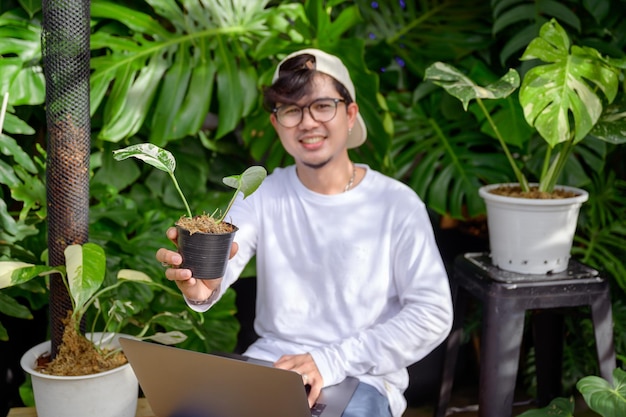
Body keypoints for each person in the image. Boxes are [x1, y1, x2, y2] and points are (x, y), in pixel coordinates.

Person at [156, 48, 453, 417]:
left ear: (350, 114)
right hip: (272, 365)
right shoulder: (263, 195)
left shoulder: (395, 203)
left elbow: (432, 313)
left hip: (361, 375)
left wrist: (330, 360)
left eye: (322, 105)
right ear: (277, 123)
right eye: (292, 110)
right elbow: (226, 259)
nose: (307, 122)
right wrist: (203, 288)